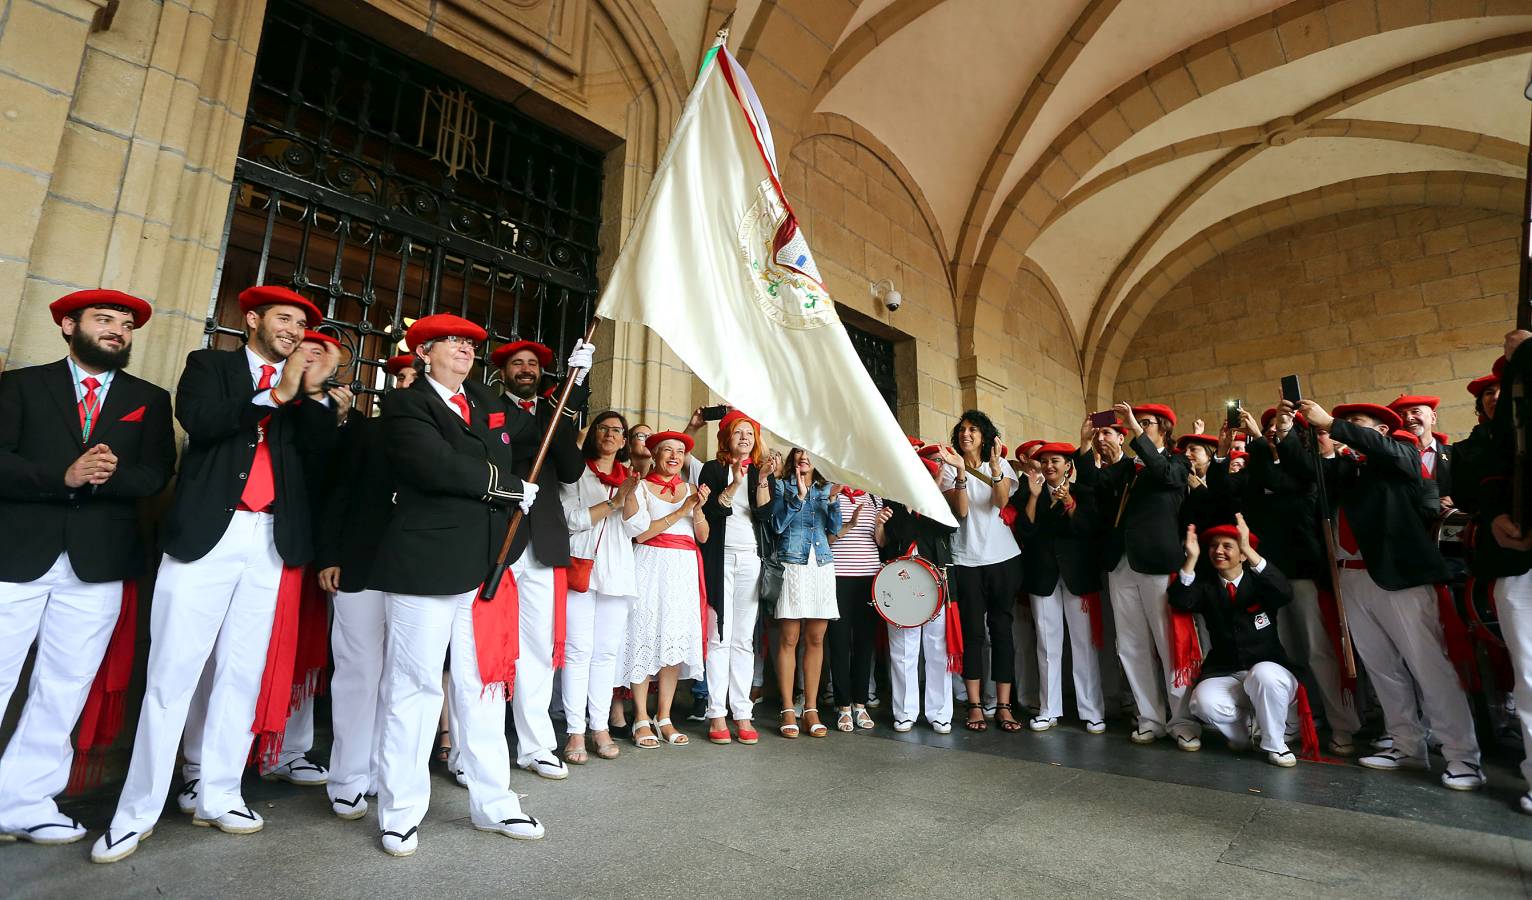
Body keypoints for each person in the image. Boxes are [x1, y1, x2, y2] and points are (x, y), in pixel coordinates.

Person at [92, 286, 346, 863]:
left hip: (271, 538)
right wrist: (276, 393)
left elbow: (319, 457)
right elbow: (202, 423)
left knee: (241, 672)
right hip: (209, 533)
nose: (293, 330)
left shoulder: (304, 383)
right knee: (173, 674)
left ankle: (220, 792)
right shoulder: (210, 365)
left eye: (301, 323)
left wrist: (316, 393)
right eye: (284, 318)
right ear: (252, 318)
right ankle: (136, 811)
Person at [368, 314, 547, 857]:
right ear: (424, 352)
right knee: (414, 688)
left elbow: (538, 436)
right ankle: (400, 812)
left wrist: (572, 385)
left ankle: (494, 803)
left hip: (484, 565)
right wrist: (507, 488)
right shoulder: (406, 403)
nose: (465, 350)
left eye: (470, 343)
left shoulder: (487, 402)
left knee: (483, 688)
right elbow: (435, 466)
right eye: (452, 342)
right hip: (426, 563)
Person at [0, 290, 175, 845]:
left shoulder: (149, 398)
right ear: (68, 326)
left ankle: (22, 802)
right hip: (16, 553)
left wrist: (108, 475)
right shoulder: (22, 385)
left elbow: (157, 472)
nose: (117, 330)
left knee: (64, 684)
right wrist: (64, 476)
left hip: (99, 562)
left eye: (126, 324)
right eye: (104, 320)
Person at [1288, 397, 1484, 790]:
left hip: (1400, 578)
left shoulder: (1400, 455)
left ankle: (1462, 756)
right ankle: (1406, 744)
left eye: (1354, 422)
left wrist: (1334, 425)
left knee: (1430, 667)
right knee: (1382, 668)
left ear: (1380, 430)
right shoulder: (1344, 468)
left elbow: (1390, 455)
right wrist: (1306, 439)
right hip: (1352, 579)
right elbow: (1305, 476)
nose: (1340, 426)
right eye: (1340, 422)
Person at [311, 353, 417, 820]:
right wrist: (329, 555)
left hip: (415, 572)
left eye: (416, 378)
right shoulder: (365, 431)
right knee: (357, 673)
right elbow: (338, 492)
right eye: (401, 378)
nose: (407, 385)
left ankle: (381, 771)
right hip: (358, 564)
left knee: (402, 679)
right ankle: (348, 778)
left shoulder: (447, 436)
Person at [491, 337, 595, 781]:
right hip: (498, 540)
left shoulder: (552, 415)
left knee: (535, 648)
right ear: (503, 372)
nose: (526, 369)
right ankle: (476, 749)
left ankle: (535, 746)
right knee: (488, 647)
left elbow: (571, 470)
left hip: (543, 543)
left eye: (533, 363)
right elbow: (506, 449)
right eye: (518, 363)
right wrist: (560, 407)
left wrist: (573, 396)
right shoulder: (490, 408)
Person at [1230, 406, 1359, 756]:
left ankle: (1342, 723)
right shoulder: (1260, 469)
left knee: (1318, 651)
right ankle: (1299, 717)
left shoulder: (1308, 468)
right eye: (1270, 429)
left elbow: (1293, 479)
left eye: (1282, 428)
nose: (1275, 433)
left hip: (1304, 572)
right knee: (1285, 651)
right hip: (1271, 575)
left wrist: (1272, 440)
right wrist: (1257, 444)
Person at [1100, 402, 1201, 750]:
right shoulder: (1129, 468)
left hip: (1158, 562)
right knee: (1131, 645)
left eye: (1146, 423)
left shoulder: (1177, 462)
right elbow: (1096, 484)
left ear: (1164, 428)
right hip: (1123, 563)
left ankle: (1182, 720)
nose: (1139, 427)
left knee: (1169, 643)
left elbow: (1165, 475)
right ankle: (1150, 718)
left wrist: (1134, 432)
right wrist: (1087, 445)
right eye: (1137, 422)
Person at [1171, 518, 1307, 767]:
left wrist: (1249, 550)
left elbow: (1284, 591)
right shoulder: (1207, 586)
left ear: (1243, 554)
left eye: (1227, 546)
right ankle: (1244, 734)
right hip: (1227, 672)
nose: (1218, 551)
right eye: (1214, 546)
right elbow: (1180, 600)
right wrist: (1191, 559)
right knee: (1202, 702)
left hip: (1270, 673)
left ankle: (1276, 744)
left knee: (1263, 674)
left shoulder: (1260, 582)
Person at [559, 411, 646, 763]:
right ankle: (574, 730)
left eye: (617, 430)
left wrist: (629, 493)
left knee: (606, 654)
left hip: (616, 574)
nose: (610, 434)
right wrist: (612, 502)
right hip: (580, 570)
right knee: (577, 651)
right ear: (593, 434)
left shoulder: (629, 477)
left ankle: (599, 727)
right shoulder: (576, 473)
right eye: (603, 428)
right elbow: (570, 520)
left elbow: (637, 527)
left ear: (624, 441)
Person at [625, 432, 710, 748]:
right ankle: (640, 717)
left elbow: (703, 536)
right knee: (644, 636)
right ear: (655, 454)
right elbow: (641, 534)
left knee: (673, 640)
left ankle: (664, 716)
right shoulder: (642, 487)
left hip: (682, 569)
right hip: (650, 564)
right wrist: (680, 509)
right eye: (667, 450)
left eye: (680, 451)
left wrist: (697, 509)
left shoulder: (690, 488)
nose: (674, 456)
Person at [940, 411, 1023, 732]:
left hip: (1003, 558)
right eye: (962, 429)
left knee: (1001, 630)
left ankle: (1003, 705)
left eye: (973, 429)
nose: (966, 434)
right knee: (973, 633)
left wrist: (996, 468)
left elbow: (1000, 502)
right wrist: (961, 472)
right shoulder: (950, 468)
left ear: (984, 435)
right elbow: (961, 511)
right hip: (966, 560)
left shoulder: (999, 466)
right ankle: (974, 705)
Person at [1014, 442, 1105, 733]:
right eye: (1045, 461)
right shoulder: (1030, 491)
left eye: (1055, 460)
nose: (1049, 466)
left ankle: (1092, 711)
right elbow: (1026, 531)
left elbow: (1089, 530)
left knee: (1084, 645)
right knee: (1046, 644)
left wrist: (1069, 504)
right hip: (1042, 576)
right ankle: (1048, 709)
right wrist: (1034, 496)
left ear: (1068, 466)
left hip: (1078, 576)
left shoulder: (1083, 492)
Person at [696, 411, 773, 745]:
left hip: (750, 557)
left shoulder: (759, 471)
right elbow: (712, 510)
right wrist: (735, 483)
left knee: (743, 638)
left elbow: (765, 514)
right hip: (720, 557)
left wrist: (762, 479)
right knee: (718, 635)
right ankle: (716, 712)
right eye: (738, 432)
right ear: (726, 437)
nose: (744, 437)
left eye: (750, 433)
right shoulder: (713, 469)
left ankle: (742, 711)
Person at [876, 443, 961, 733]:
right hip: (901, 583)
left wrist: (931, 495)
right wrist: (881, 525)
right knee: (902, 650)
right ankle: (905, 712)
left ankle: (940, 713)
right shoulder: (893, 504)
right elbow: (885, 542)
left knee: (937, 649)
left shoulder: (936, 504)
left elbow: (951, 527)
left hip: (935, 583)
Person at [770, 447, 842, 739]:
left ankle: (811, 709)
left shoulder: (826, 489)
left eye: (809, 452)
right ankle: (788, 708)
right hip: (791, 563)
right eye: (799, 451)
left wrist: (834, 501)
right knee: (789, 638)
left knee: (816, 638)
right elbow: (776, 525)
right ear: (793, 458)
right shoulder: (781, 486)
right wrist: (798, 497)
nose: (804, 457)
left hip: (821, 565)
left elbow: (834, 530)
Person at [827, 479, 884, 733]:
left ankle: (860, 704)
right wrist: (848, 524)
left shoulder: (873, 497)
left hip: (869, 577)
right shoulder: (832, 493)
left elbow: (881, 542)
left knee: (864, 643)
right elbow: (826, 538)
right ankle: (843, 706)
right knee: (839, 643)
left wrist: (879, 525)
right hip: (837, 576)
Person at [1389, 395, 1452, 511]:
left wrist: (1456, 499)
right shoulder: (1388, 458)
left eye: (1415, 412)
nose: (1408, 418)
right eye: (1401, 415)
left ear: (1433, 417)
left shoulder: (1455, 453)